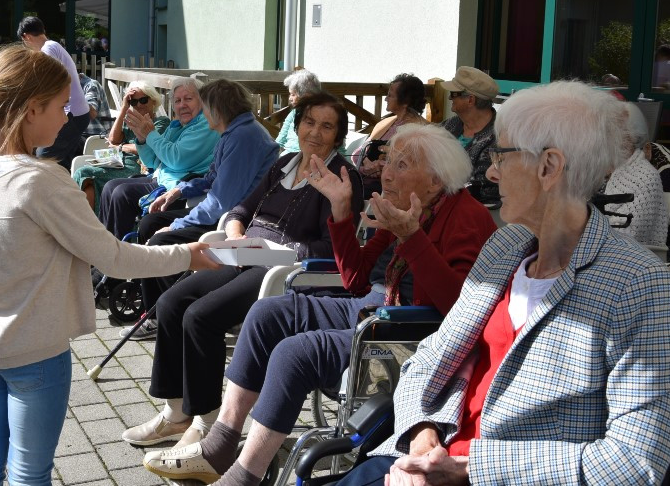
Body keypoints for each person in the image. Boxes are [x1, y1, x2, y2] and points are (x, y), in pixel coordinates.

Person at [331, 80, 670, 486]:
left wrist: (469, 469)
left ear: (549, 167)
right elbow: (430, 357)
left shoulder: (639, 285)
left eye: (501, 154)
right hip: (422, 462)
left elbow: (635, 464)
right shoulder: (508, 245)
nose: (491, 170)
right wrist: (421, 435)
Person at [0, 45, 219, 486]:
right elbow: (112, 256)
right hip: (35, 353)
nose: (69, 117)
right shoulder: (40, 181)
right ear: (30, 110)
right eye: (62, 106)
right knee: (29, 472)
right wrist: (188, 254)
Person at [143, 125, 498, 485]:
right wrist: (342, 210)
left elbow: (460, 307)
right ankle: (220, 444)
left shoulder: (467, 218)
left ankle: (244, 475)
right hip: (373, 303)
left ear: (436, 181)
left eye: (402, 165)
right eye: (388, 160)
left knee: (295, 353)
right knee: (267, 313)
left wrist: (411, 237)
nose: (386, 172)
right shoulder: (408, 206)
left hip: (407, 330)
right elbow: (355, 279)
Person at [120, 92, 364, 449]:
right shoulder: (285, 163)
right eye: (309, 122)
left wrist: (277, 251)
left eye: (327, 126)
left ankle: (206, 421)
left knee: (200, 316)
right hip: (247, 253)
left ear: (338, 137)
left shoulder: (344, 179)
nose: (315, 132)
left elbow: (333, 247)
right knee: (172, 303)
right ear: (297, 127)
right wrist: (235, 234)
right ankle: (175, 413)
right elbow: (241, 208)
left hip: (282, 269)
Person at [123, 79, 280, 339]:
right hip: (222, 210)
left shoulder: (243, 137)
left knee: (161, 238)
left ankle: (168, 314)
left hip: (234, 220)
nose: (202, 113)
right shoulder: (232, 132)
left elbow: (221, 201)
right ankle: (159, 313)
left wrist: (177, 225)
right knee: (151, 223)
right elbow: (211, 178)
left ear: (217, 109)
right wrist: (180, 190)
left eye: (204, 106)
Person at [97, 77, 219, 240]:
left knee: (122, 193)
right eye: (177, 101)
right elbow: (152, 162)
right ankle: (105, 248)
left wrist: (150, 134)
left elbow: (177, 159)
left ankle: (118, 256)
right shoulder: (178, 126)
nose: (182, 105)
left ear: (202, 101)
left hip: (180, 188)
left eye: (188, 99)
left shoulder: (204, 125)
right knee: (110, 187)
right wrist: (142, 139)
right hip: (161, 179)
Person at [72, 81, 169, 213]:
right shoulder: (131, 121)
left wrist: (120, 147)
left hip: (138, 168)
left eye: (143, 100)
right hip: (118, 164)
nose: (139, 105)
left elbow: (148, 147)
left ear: (154, 101)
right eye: (134, 102)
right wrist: (124, 108)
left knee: (84, 173)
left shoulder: (161, 122)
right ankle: (86, 223)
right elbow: (113, 139)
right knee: (88, 183)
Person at [17, 16, 90, 169]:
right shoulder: (53, 46)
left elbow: (48, 82)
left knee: (45, 158)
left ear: (26, 36)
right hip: (76, 113)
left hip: (72, 115)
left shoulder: (48, 49)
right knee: (63, 162)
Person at [602, 103, 668, 247]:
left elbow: (623, 237)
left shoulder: (644, 177)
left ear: (635, 138)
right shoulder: (591, 172)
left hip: (624, 259)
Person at [352, 74, 429, 196]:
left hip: (390, 192)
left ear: (405, 101)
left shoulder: (421, 131)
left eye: (390, 95)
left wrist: (382, 166)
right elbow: (357, 153)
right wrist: (367, 163)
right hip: (365, 185)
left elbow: (414, 169)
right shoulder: (386, 123)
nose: (385, 99)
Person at [439, 66, 501, 205]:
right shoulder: (450, 125)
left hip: (473, 209)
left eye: (454, 94)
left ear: (470, 100)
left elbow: (484, 188)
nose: (449, 97)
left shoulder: (500, 136)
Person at [275, 69, 323, 154]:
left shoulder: (326, 115)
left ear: (307, 95)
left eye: (293, 94)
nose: (290, 98)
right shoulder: (293, 114)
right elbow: (279, 142)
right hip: (287, 159)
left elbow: (339, 149)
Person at [78, 73, 112, 137]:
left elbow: (91, 113)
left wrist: (74, 92)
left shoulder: (91, 85)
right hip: (79, 137)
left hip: (97, 137)